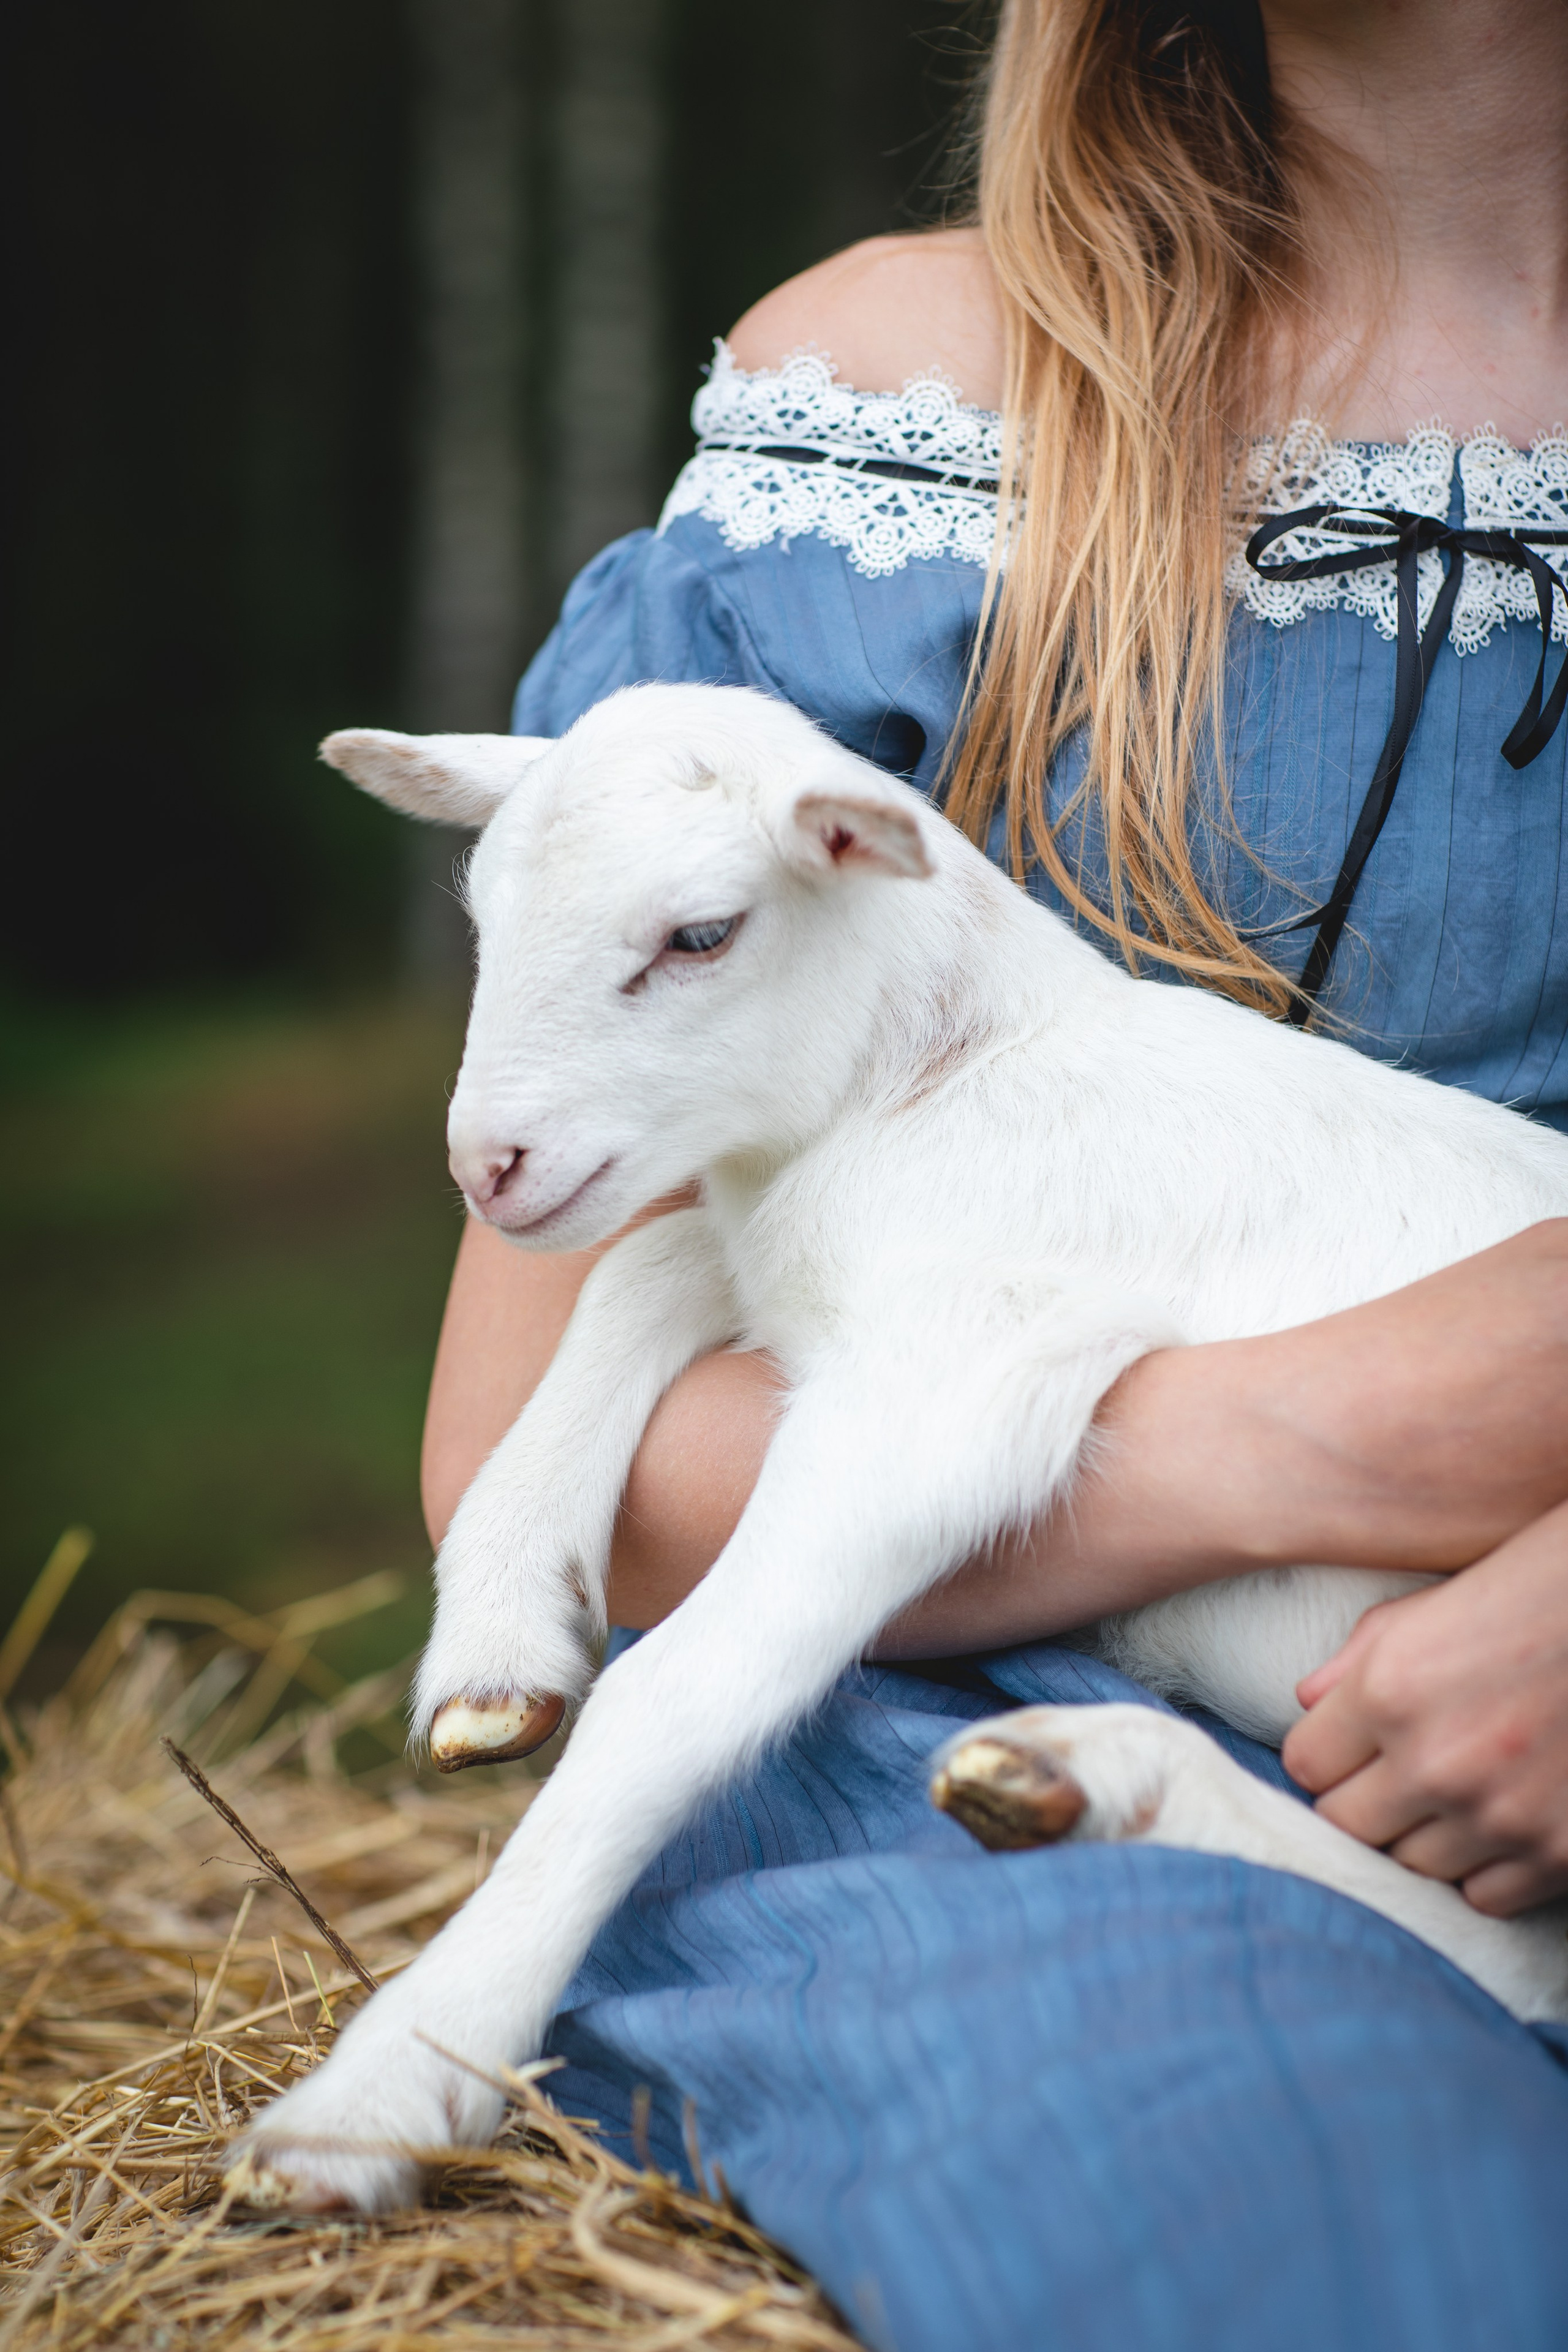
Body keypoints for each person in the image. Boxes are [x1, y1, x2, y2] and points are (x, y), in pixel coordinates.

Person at [423, 3, 1568, 2344]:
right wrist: (1302, 1432)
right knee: (1359, 2239)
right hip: (956, 1752)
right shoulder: (895, 426)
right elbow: (548, 1473)